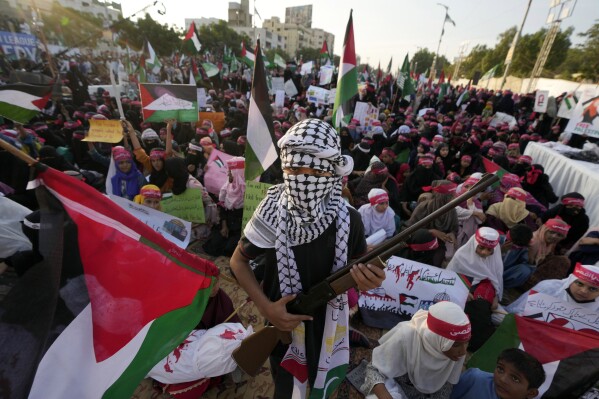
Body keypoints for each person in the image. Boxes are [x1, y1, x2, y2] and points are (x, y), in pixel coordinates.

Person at [230, 118, 385, 398]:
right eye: (293, 168)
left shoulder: (349, 219)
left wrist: (369, 281)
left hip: (330, 328)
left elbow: (361, 269)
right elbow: (237, 262)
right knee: (286, 388)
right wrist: (267, 309)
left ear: (331, 172)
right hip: (283, 326)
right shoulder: (271, 210)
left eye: (313, 170)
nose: (302, 178)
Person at [362, 301, 471, 399]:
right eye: (456, 345)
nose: (463, 352)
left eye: (467, 342)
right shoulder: (407, 336)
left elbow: (446, 387)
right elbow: (373, 371)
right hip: (395, 388)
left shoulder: (456, 352)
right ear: (437, 339)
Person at [447, 227, 503, 351]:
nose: (484, 253)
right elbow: (449, 280)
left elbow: (496, 280)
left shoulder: (495, 260)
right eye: (481, 247)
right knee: (479, 308)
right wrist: (462, 292)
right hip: (462, 295)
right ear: (474, 244)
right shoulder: (462, 256)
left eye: (489, 250)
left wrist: (496, 297)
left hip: (485, 295)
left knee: (503, 319)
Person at [503, 218, 571, 291]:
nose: (554, 236)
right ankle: (504, 287)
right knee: (525, 270)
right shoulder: (531, 241)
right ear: (544, 230)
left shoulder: (549, 244)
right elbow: (515, 264)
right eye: (551, 232)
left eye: (559, 235)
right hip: (512, 272)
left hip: (527, 271)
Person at [506, 263, 599, 316]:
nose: (583, 291)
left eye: (593, 289)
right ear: (571, 280)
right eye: (579, 284)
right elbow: (518, 311)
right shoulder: (549, 287)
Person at [450, 348, 545, 399]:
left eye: (515, 379)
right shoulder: (475, 378)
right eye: (500, 369)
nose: (502, 379)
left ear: (531, 393)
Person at [203, 157, 246, 257]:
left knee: (230, 249)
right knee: (214, 244)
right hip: (227, 222)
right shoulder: (227, 186)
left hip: (239, 227)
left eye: (231, 172)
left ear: (239, 173)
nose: (228, 174)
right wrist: (224, 225)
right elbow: (223, 208)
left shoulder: (248, 191)